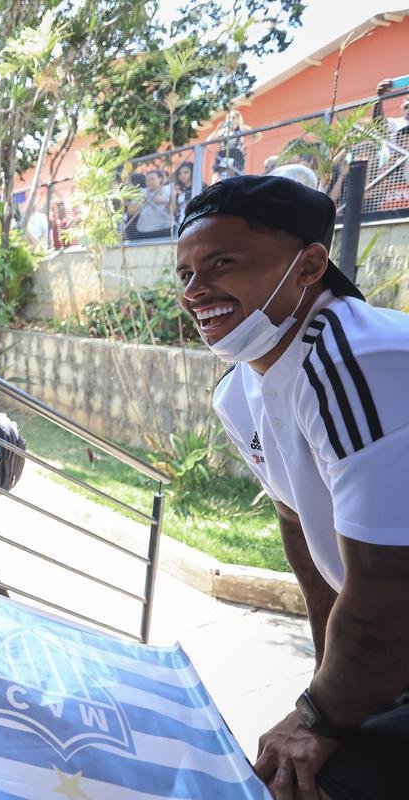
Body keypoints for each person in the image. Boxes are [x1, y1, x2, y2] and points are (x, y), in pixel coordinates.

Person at [175, 175, 409, 800]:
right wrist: (326, 689)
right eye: (186, 274)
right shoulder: (240, 391)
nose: (196, 291)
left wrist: (320, 716)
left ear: (309, 265)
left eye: (221, 263)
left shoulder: (358, 361)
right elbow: (302, 533)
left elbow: (391, 590)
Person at [210, 110, 253, 182]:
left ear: (238, 120)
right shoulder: (223, 131)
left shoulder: (242, 129)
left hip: (235, 155)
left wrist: (245, 145)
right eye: (229, 117)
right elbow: (209, 140)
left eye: (233, 118)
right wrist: (217, 129)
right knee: (216, 177)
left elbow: (257, 136)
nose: (231, 120)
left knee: (233, 176)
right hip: (223, 155)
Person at [135, 169, 174, 239]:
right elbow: (131, 211)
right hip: (144, 230)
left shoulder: (169, 189)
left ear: (160, 179)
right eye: (147, 180)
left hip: (165, 229)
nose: (149, 182)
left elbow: (174, 210)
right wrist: (142, 200)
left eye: (152, 179)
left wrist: (163, 201)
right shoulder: (141, 192)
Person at [169, 161, 195, 227]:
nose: (182, 176)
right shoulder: (177, 189)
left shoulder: (201, 186)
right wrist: (174, 196)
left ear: (192, 172)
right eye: (180, 173)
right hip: (180, 225)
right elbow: (174, 212)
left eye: (186, 172)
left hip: (195, 223)